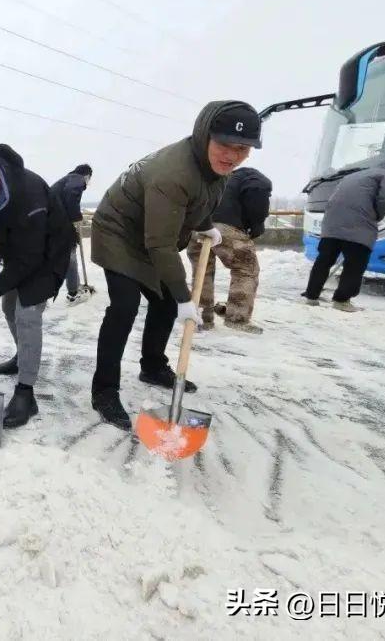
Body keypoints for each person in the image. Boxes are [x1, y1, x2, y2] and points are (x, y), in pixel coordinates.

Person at [90, 100, 262, 430]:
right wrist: (186, 297)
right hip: (120, 233)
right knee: (125, 306)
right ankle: (104, 390)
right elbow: (160, 244)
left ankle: (152, 366)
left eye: (242, 148)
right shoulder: (173, 172)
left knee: (166, 300)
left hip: (153, 232)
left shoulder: (215, 168)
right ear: (204, 135)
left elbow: (200, 198)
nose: (232, 155)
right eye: (224, 144)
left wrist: (205, 223)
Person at [0, 145, 73, 428]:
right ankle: (24, 355)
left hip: (48, 252)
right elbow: (3, 232)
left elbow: (31, 256)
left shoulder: (28, 194)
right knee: (9, 306)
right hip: (21, 250)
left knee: (27, 313)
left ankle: (26, 393)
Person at [302, 156, 385, 312]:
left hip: (331, 223)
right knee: (355, 264)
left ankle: (311, 296)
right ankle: (342, 300)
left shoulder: (358, 174)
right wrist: (378, 214)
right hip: (359, 225)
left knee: (324, 260)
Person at [187, 166, 272, 333]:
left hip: (198, 226)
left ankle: (204, 318)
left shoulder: (223, 177)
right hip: (225, 228)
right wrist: (256, 226)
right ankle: (237, 319)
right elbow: (258, 202)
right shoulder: (257, 179)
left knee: (202, 271)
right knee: (246, 269)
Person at [50, 164, 93, 305]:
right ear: (87, 175)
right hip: (59, 223)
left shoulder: (66, 179)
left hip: (52, 221)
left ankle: (72, 287)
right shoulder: (77, 179)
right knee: (70, 256)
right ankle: (73, 294)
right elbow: (71, 193)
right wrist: (76, 217)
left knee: (65, 256)